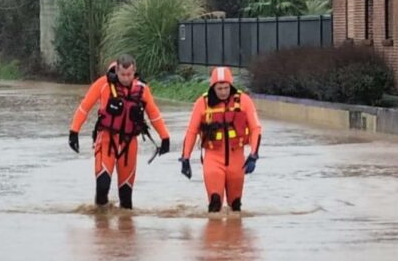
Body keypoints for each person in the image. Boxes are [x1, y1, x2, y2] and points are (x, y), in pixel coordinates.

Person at [69, 54, 170, 209]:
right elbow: (85, 107)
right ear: (116, 70)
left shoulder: (142, 89)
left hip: (129, 144)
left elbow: (154, 114)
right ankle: (101, 225)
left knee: (126, 199)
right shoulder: (103, 84)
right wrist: (74, 132)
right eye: (122, 74)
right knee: (102, 187)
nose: (125, 78)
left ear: (134, 71)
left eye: (129, 74)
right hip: (106, 139)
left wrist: (165, 138)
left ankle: (125, 229)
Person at [179, 66, 262, 213]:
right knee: (215, 203)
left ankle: (233, 235)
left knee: (235, 206)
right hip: (213, 160)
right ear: (213, 87)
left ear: (231, 85)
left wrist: (253, 155)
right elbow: (191, 131)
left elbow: (256, 128)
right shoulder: (202, 104)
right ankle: (214, 235)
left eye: (226, 88)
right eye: (219, 88)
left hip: (237, 161)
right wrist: (185, 158)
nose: (223, 92)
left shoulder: (244, 101)